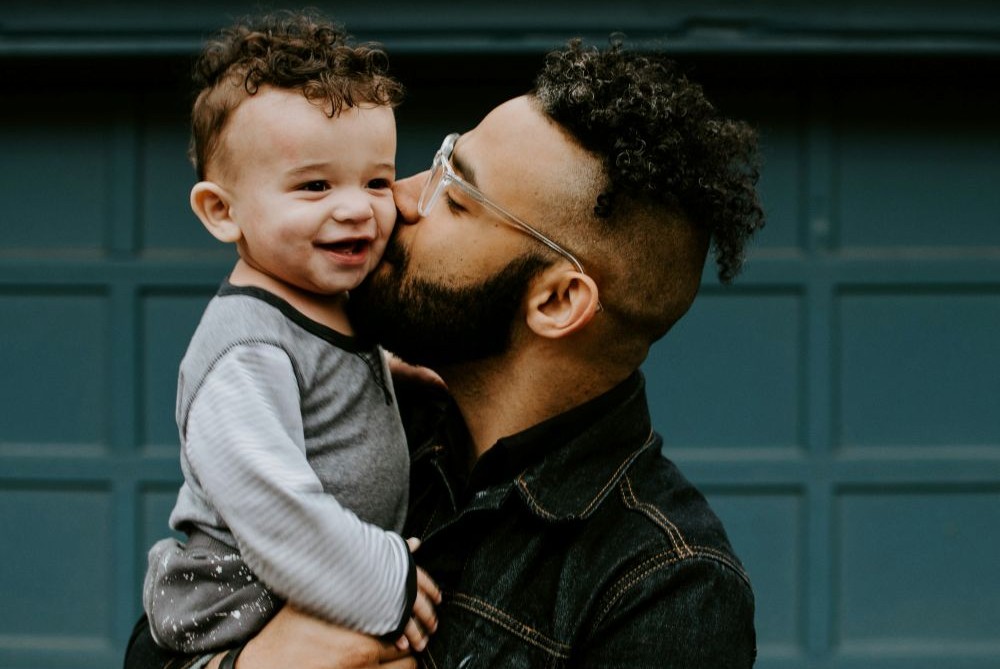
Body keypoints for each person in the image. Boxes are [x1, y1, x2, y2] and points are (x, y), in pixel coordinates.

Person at [127, 34, 765, 669]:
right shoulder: (368, 410)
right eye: (437, 162)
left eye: (455, 197)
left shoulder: (662, 586)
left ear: (556, 302)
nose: (396, 197)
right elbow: (158, 638)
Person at [139, 10, 440, 665]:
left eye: (377, 181)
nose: (357, 206)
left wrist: (389, 372)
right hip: (230, 614)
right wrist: (383, 580)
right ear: (223, 211)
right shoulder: (245, 352)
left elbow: (323, 374)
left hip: (303, 593)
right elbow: (274, 505)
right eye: (315, 185)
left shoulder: (327, 302)